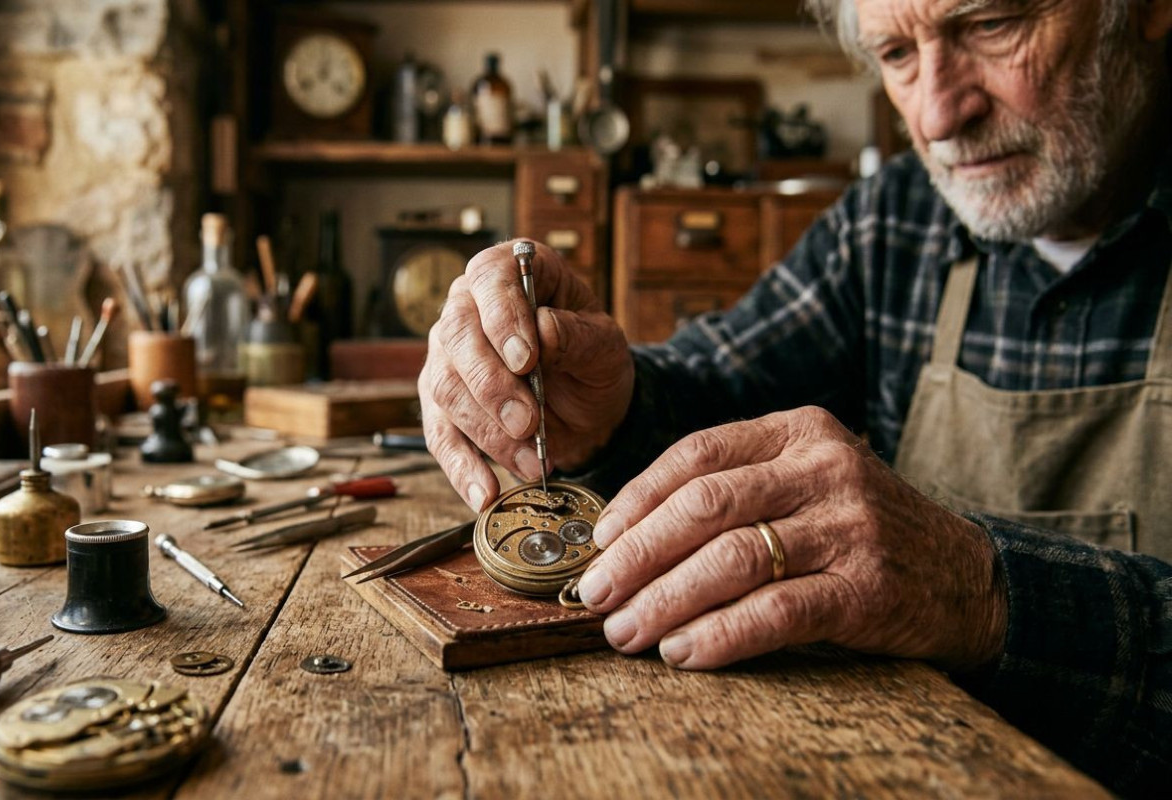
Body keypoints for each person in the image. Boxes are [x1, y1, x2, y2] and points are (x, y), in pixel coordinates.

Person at [417, 0, 1172, 795]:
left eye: (990, 25)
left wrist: (981, 590)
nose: (941, 114)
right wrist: (606, 402)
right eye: (896, 52)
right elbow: (725, 382)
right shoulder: (895, 219)